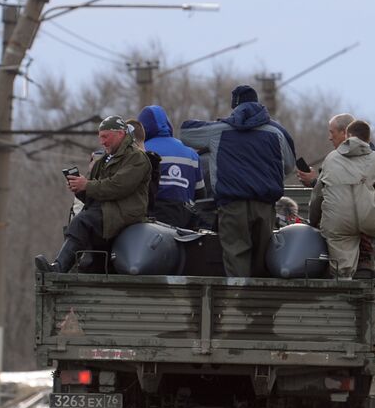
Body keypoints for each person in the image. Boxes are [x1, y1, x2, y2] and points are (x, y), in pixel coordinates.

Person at [180, 85, 296, 278]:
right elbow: (289, 166)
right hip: (265, 206)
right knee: (263, 258)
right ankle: (259, 304)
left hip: (232, 207)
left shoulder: (220, 130)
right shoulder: (276, 133)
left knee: (235, 257)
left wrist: (222, 123)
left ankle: (237, 302)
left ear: (235, 107)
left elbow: (185, 133)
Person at [35, 116, 151, 273]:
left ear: (120, 134)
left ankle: (59, 267)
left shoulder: (137, 158)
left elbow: (118, 186)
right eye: (100, 137)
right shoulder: (103, 161)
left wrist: (86, 185)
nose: (102, 142)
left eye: (105, 136)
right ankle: (69, 267)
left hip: (126, 213)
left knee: (82, 221)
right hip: (107, 210)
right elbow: (96, 193)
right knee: (84, 219)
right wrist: (81, 190)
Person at [308, 119, 375, 279]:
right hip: (367, 217)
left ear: (347, 135)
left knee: (341, 270)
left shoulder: (331, 158)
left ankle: (343, 280)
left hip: (338, 221)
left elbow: (317, 195)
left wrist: (313, 221)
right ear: (368, 139)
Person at [137, 105, 203, 229]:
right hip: (186, 220)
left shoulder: (140, 151)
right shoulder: (191, 153)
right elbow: (200, 194)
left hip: (152, 221)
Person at [297, 113, 354, 188]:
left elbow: (336, 192)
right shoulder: (371, 158)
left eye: (332, 132)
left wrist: (313, 182)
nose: (330, 138)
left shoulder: (337, 160)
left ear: (344, 133)